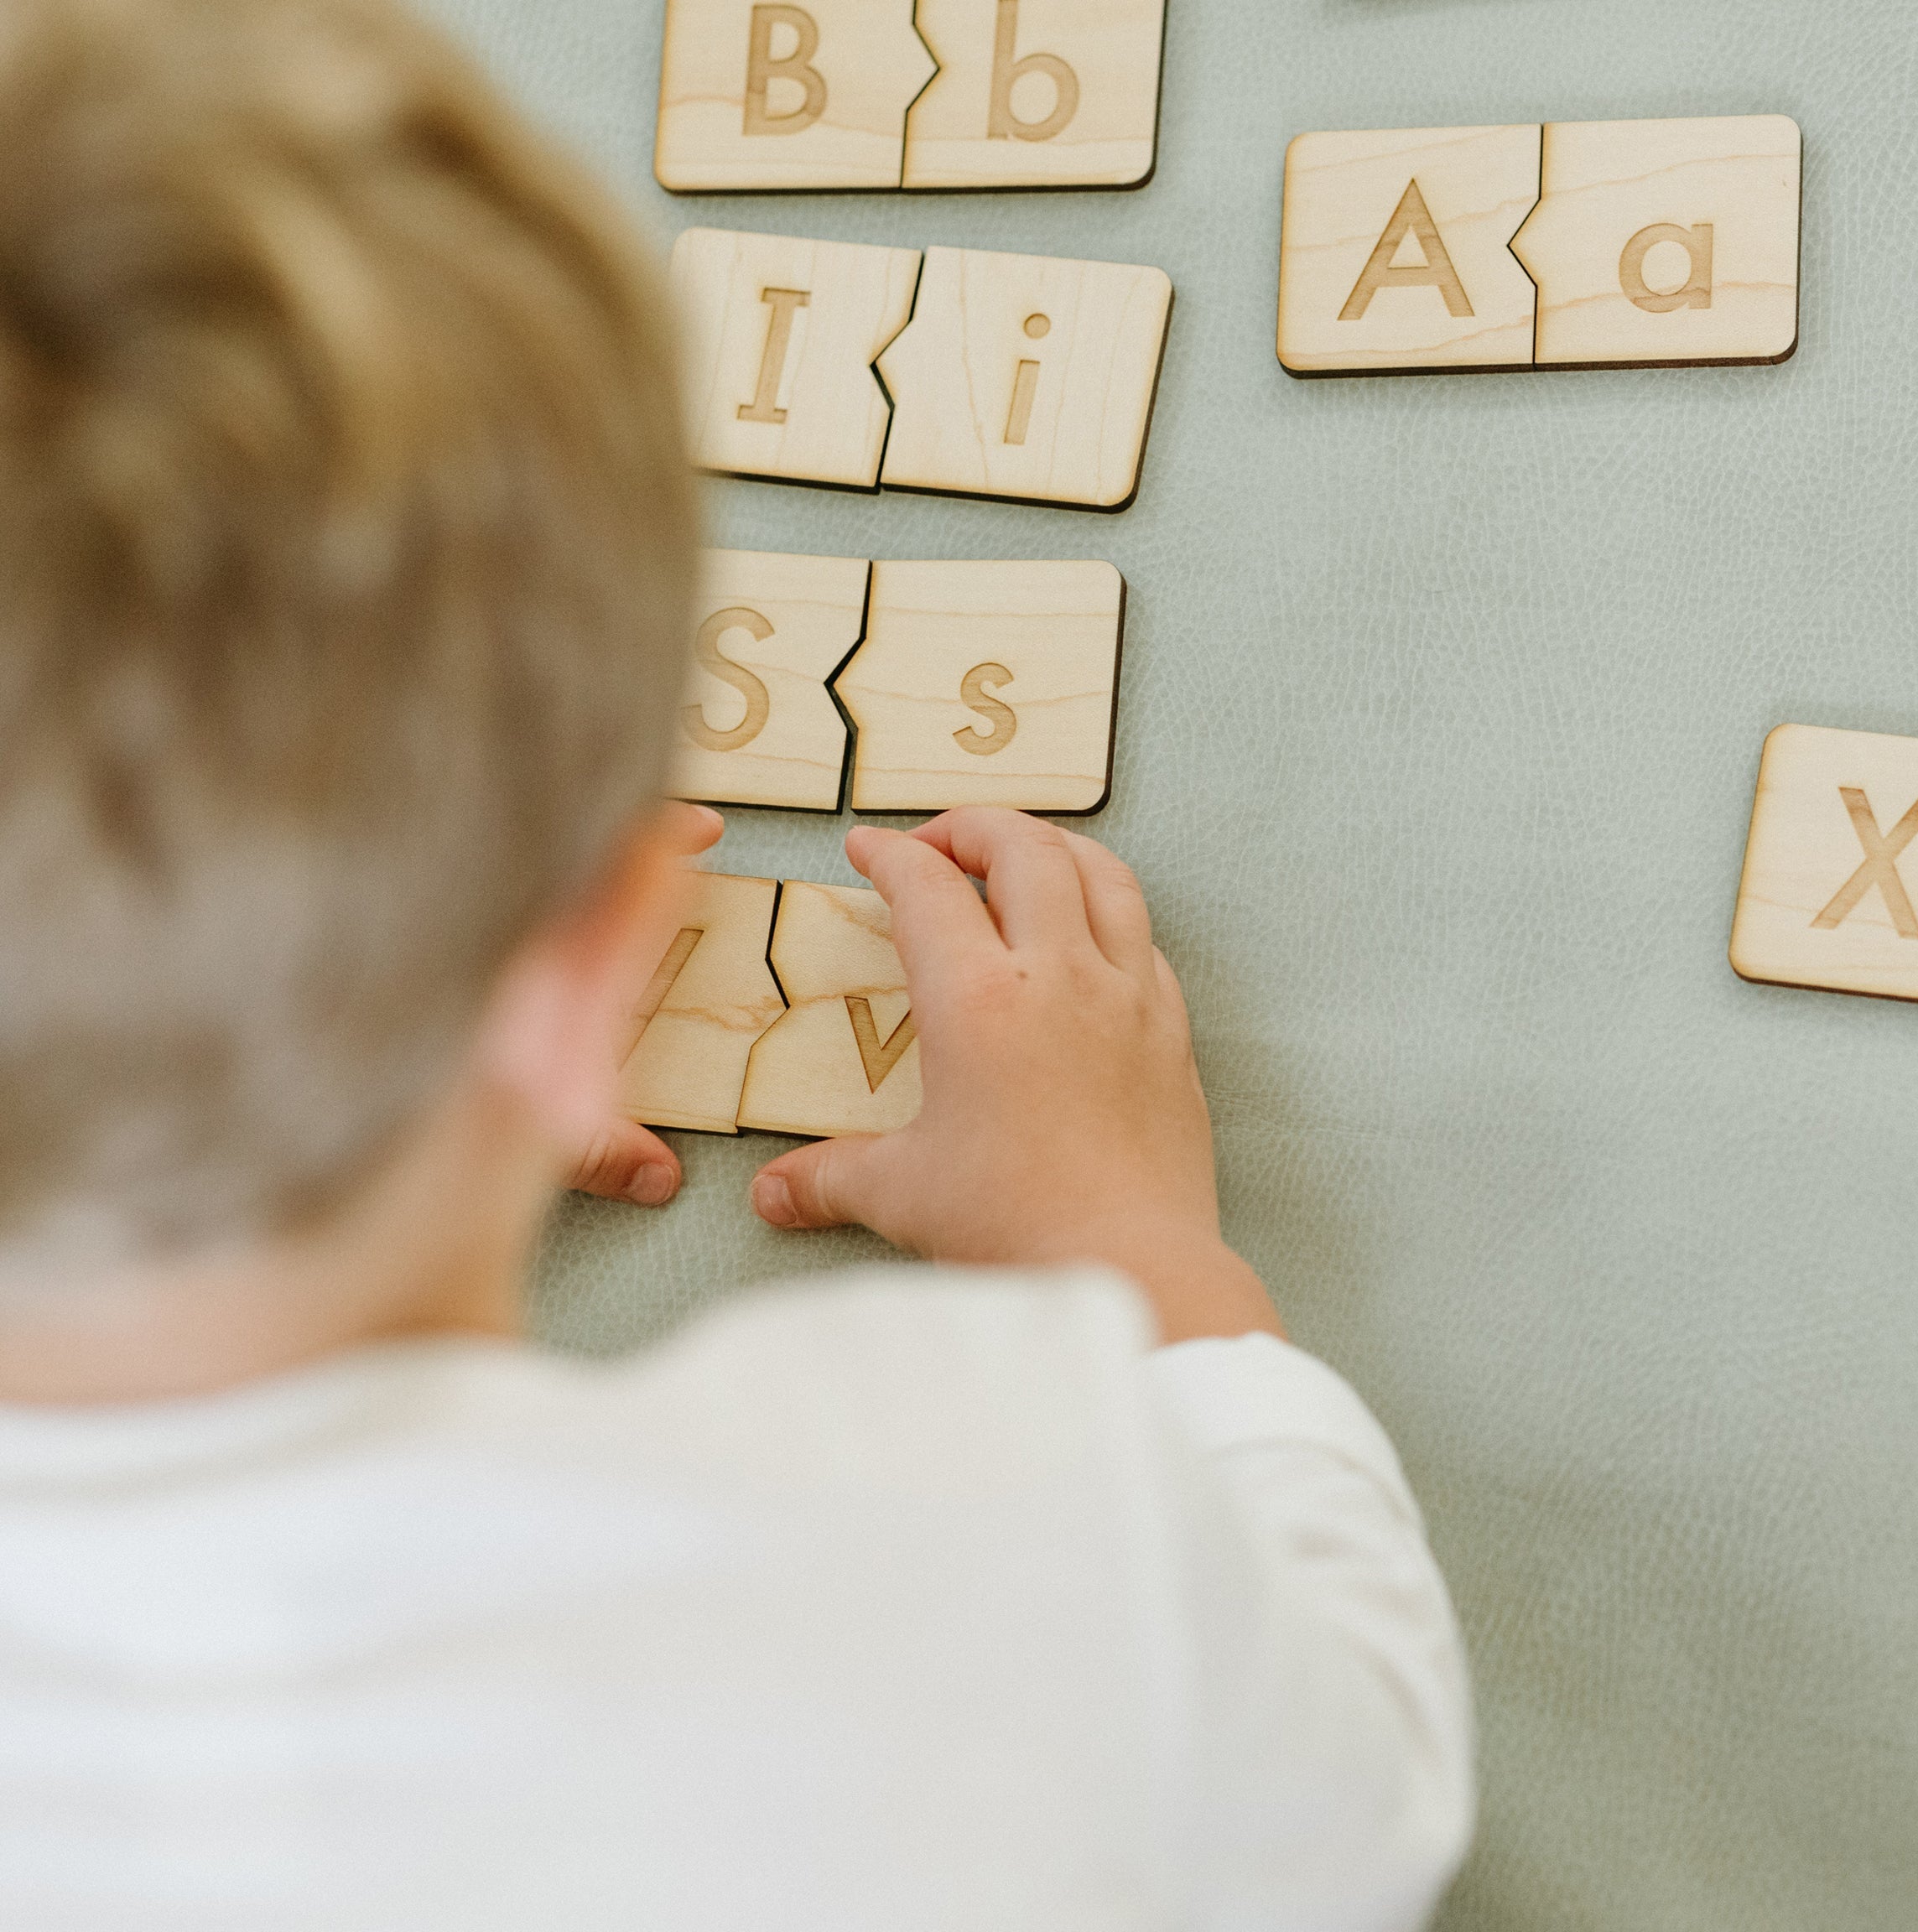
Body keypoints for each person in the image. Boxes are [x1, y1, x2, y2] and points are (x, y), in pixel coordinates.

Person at [0, 0, 1476, 1924]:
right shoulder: (1000, 1533)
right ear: (585, 978)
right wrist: (1144, 1262)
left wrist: (381, 1125)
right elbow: (1358, 1796)